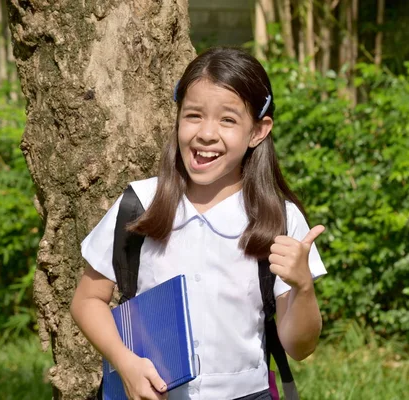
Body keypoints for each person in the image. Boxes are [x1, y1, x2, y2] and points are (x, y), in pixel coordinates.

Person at [70, 47, 326, 400]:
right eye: (193, 115)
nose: (206, 133)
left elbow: (300, 347)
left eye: (228, 120)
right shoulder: (140, 204)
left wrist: (303, 287)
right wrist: (124, 362)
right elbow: (87, 301)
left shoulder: (280, 220)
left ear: (258, 131)